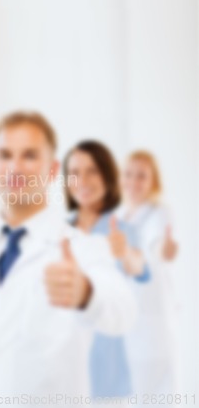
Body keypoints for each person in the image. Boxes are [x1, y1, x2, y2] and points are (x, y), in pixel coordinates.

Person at [0, 111, 136, 408]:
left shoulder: (82, 247)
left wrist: (86, 294)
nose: (15, 167)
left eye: (29, 155)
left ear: (52, 170)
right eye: (5, 155)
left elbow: (123, 311)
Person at [63, 140, 150, 401]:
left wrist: (125, 255)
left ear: (107, 175)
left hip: (107, 370)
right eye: (75, 172)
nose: (83, 180)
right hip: (64, 366)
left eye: (92, 171)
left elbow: (141, 269)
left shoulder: (120, 229)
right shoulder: (59, 230)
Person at [117, 150, 179, 402]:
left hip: (152, 328)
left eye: (142, 176)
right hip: (127, 326)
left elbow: (158, 246)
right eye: (129, 174)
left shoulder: (159, 213)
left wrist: (163, 249)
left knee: (153, 395)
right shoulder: (119, 217)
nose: (133, 182)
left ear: (153, 181)